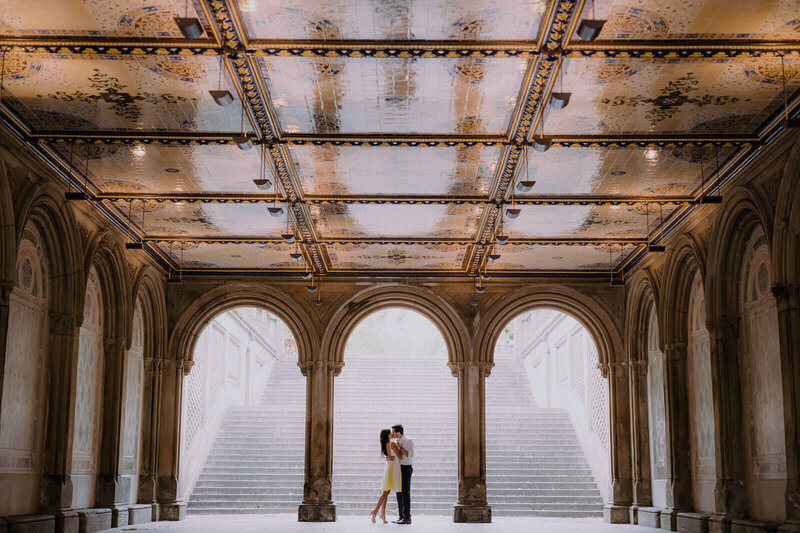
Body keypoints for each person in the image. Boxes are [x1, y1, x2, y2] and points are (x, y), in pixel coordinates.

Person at [369, 429, 402, 524]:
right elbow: (400, 456)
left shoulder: (387, 444)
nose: (392, 434)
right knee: (385, 493)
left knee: (386, 492)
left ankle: (382, 514)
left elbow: (389, 456)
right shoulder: (392, 444)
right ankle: (375, 512)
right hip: (392, 468)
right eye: (390, 433)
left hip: (389, 467)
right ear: (388, 435)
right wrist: (400, 447)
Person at [391, 424, 415, 525]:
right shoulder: (395, 442)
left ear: (398, 432)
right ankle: (401, 516)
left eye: (393, 432)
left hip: (406, 467)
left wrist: (400, 447)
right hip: (397, 468)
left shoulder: (409, 440)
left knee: (405, 492)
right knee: (398, 492)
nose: (392, 434)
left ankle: (407, 517)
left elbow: (409, 455)